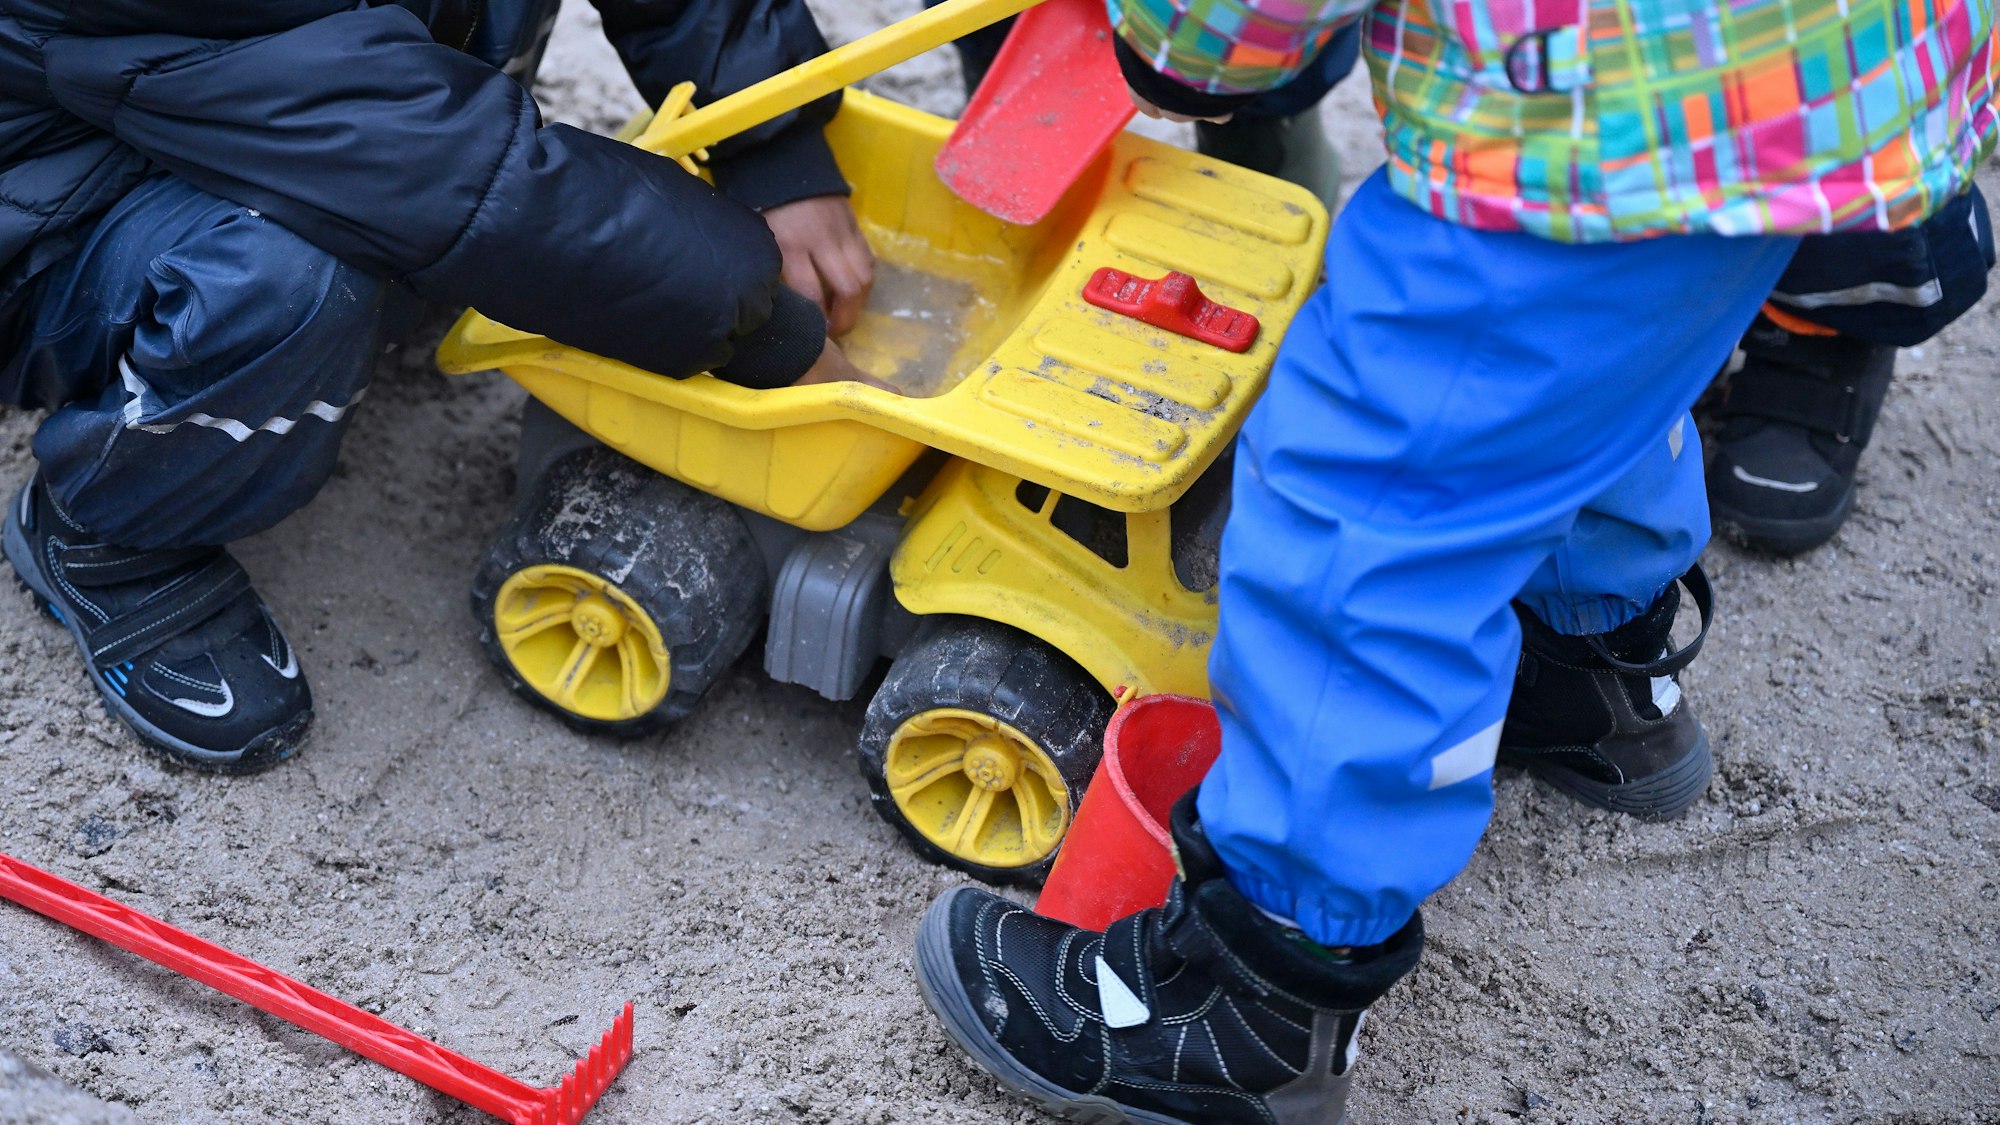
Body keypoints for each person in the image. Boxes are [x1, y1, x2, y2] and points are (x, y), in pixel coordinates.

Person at [914, 2, 1996, 1122]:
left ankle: (1255, 997)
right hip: (1804, 92)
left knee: (1367, 509)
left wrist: (1187, 49)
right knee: (1585, 394)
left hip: (1573, 115)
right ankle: (1592, 670)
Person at [0, 0, 879, 775]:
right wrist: (762, 328)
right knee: (291, 285)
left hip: (318, 120)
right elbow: (439, 162)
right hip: (60, 213)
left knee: (409, 228)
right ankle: (113, 530)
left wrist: (774, 144)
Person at [939, 6, 1995, 556]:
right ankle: (1600, 663)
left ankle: (1820, 331)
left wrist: (1195, 56)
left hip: (1693, 88)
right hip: (1851, 59)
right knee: (1623, 341)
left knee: (1831, 171)